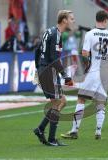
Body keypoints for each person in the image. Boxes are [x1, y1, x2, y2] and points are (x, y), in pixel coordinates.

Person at [61, 10, 108, 140]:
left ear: (96, 19)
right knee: (101, 102)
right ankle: (98, 132)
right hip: (105, 73)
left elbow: (85, 53)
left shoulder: (90, 34)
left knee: (81, 98)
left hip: (93, 71)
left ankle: (74, 131)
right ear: (105, 20)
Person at [33, 10, 75, 146]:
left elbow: (37, 50)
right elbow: (54, 58)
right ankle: (51, 139)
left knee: (62, 101)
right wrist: (65, 75)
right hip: (48, 70)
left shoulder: (49, 31)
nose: (73, 21)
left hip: (44, 69)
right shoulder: (56, 34)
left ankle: (40, 129)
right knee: (58, 103)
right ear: (64, 20)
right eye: (71, 19)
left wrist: (38, 68)